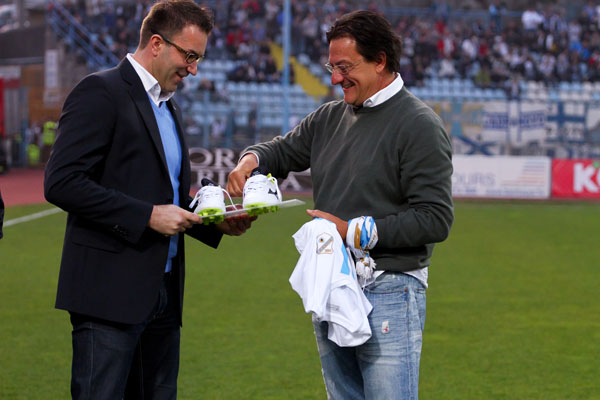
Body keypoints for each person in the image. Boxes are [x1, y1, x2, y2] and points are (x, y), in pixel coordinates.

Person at [227, 10, 453, 399]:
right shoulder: (330, 117)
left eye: (345, 67)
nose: (335, 78)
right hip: (331, 280)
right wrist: (252, 159)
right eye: (331, 67)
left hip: (390, 286)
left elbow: (435, 219)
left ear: (379, 60)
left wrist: (353, 231)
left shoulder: (419, 124)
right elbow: (283, 150)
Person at [44, 1, 254, 398]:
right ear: (157, 43)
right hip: (108, 295)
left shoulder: (168, 105)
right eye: (189, 56)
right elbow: (62, 182)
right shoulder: (99, 91)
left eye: (198, 59)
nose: (193, 69)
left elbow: (166, 197)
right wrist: (146, 216)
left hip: (164, 294)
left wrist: (215, 220)